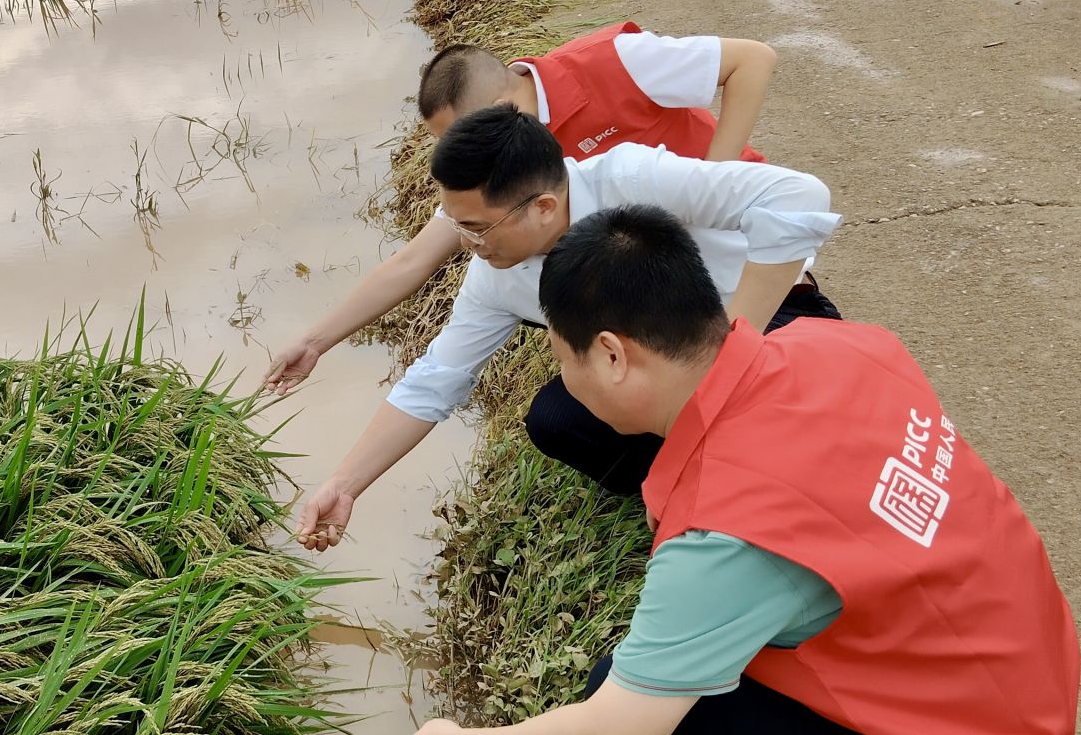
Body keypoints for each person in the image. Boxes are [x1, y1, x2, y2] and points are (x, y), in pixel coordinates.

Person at [400, 206, 1081, 735]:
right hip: (1022, 677)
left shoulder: (733, 529)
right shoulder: (836, 345)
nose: (565, 381)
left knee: (640, 711)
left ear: (614, 355)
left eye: (564, 359)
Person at [292, 106, 840, 550]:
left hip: (768, 326)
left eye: (477, 227)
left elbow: (798, 197)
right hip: (649, 369)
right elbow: (437, 378)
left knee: (799, 439)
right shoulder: (495, 275)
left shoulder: (631, 178)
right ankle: (684, 480)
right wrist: (344, 485)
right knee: (557, 419)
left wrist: (734, 347)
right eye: (456, 225)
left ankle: (756, 465)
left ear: (544, 207)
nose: (466, 244)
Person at [263, 23, 778, 396]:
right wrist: (315, 341)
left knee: (755, 364)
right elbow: (412, 261)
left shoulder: (612, 62)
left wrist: (717, 179)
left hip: (728, 238)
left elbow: (752, 59)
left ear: (502, 104)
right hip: (650, 275)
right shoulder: (503, 174)